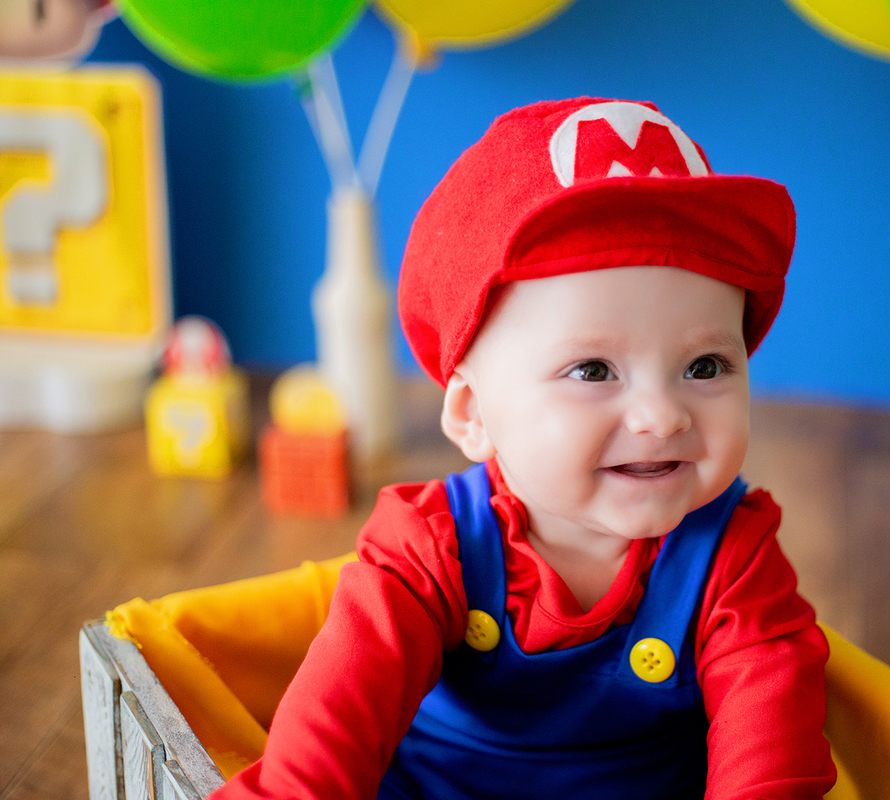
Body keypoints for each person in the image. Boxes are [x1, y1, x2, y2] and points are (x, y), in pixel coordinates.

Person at [215, 97, 837, 800]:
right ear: (473, 414)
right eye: (593, 370)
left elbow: (771, 758)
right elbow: (326, 741)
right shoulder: (431, 549)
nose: (663, 416)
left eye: (705, 366)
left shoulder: (734, 559)